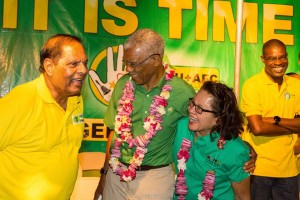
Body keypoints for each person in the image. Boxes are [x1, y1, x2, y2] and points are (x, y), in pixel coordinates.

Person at [94, 28, 255, 200]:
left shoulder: (182, 92)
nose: (128, 69)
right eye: (126, 63)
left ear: (156, 60)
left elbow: (212, 120)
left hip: (154, 176)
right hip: (116, 173)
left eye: (133, 63)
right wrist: (104, 174)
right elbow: (114, 131)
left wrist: (243, 150)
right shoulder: (122, 84)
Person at [0, 34, 88, 199]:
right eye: (74, 63)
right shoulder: (22, 99)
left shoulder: (76, 100)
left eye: (84, 63)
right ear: (49, 66)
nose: (83, 70)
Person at [241, 39, 300, 199]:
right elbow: (257, 128)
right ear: (263, 59)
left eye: (282, 57)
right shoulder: (252, 85)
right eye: (272, 58)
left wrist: (275, 119)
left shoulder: (296, 85)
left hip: (289, 170)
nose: (278, 62)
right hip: (259, 169)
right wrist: (292, 125)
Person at [173, 81, 250, 200]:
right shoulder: (181, 126)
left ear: (218, 120)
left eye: (199, 109)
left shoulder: (234, 149)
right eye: (192, 103)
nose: (191, 110)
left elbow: (242, 196)